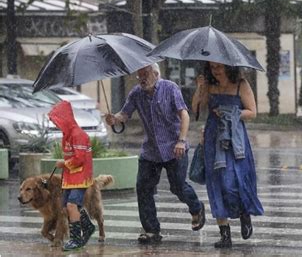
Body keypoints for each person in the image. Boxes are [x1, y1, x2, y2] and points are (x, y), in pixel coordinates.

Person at [105, 63, 205, 244]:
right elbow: (125, 114)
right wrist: (115, 119)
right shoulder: (136, 93)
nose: (142, 79)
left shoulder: (170, 88)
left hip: (175, 147)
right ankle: (151, 230)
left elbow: (184, 115)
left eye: (145, 74)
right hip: (151, 150)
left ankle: (197, 208)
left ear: (156, 74)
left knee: (178, 187)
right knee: (143, 188)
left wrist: (182, 140)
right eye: (139, 75)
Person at [192, 61, 264, 248]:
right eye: (212, 67)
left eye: (219, 67)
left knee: (235, 182)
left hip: (235, 139)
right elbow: (196, 110)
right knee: (216, 184)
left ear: (228, 67)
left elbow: (252, 112)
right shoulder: (209, 84)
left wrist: (230, 112)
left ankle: (244, 213)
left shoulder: (241, 84)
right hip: (213, 137)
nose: (215, 71)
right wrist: (200, 88)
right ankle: (225, 234)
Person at [48, 100, 96, 251]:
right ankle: (87, 227)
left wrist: (64, 164)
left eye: (58, 121)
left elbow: (80, 158)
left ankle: (76, 238)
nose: (57, 125)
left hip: (80, 177)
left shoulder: (78, 135)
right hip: (70, 177)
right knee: (67, 206)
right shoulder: (67, 136)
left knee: (71, 205)